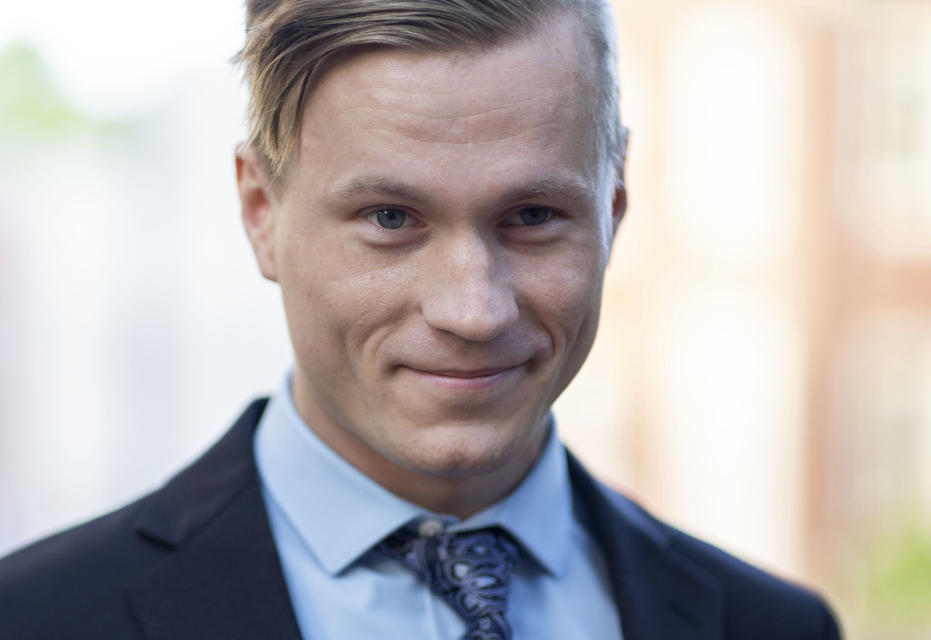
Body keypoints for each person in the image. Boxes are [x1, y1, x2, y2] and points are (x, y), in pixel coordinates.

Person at [0, 1, 842, 638]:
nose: (473, 310)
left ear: (614, 208)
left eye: (534, 215)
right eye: (391, 218)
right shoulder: (35, 619)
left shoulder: (774, 627)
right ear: (261, 212)